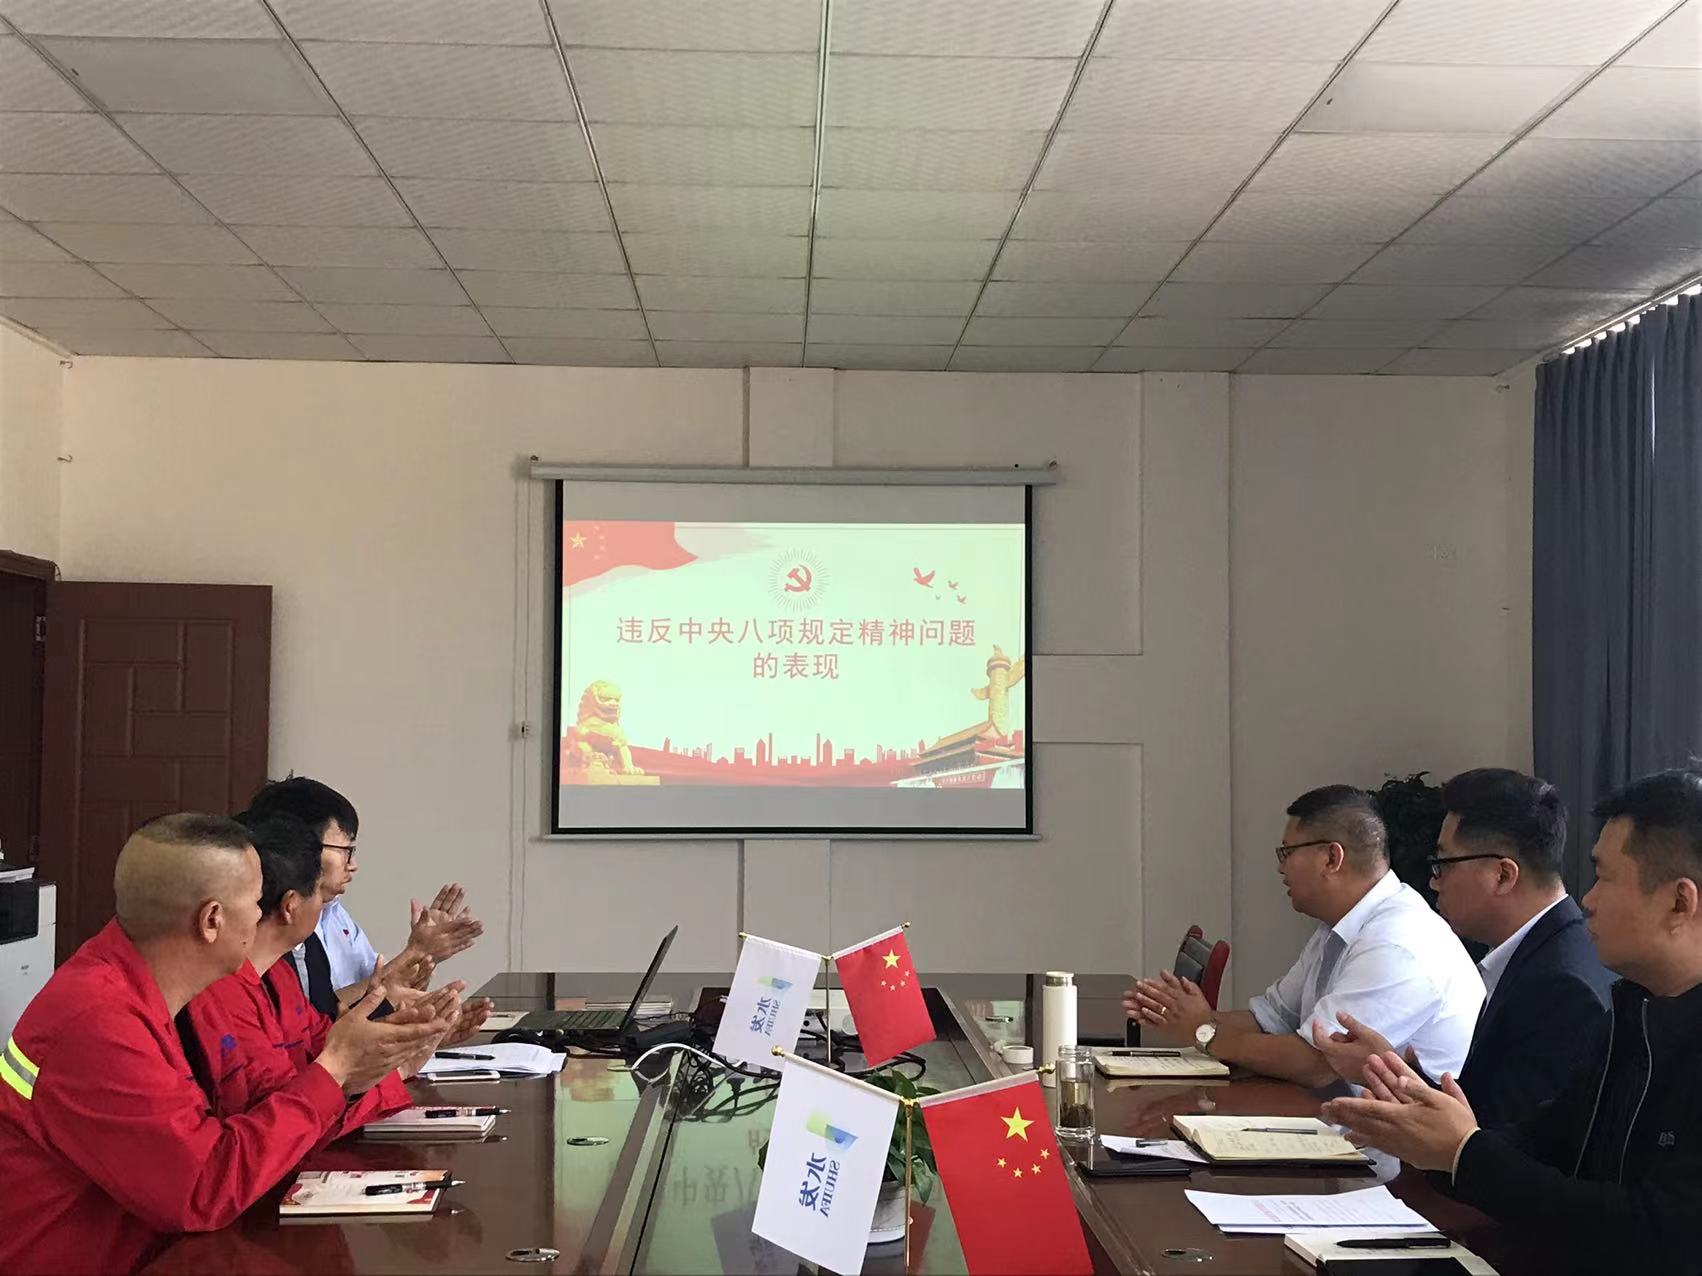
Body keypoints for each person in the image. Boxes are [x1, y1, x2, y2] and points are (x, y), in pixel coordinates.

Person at [0, 814, 458, 1275]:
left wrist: (358, 1070)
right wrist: (335, 1067)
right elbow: (202, 1187)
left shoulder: (137, 988)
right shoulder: (99, 1020)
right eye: (256, 902)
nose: (263, 916)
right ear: (212, 920)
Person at [1324, 768, 1702, 1274]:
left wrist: (1463, 1151)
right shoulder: (1635, 1013)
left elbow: (1653, 1233)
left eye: (1605, 877)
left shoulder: (1579, 988)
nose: (1588, 899)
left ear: (1679, 902)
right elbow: (1544, 1142)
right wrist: (1427, 1123)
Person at [1312, 768, 1613, 1127]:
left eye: (1443, 865)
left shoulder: (1561, 987)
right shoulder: (1541, 952)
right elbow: (1481, 1115)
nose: (1434, 883)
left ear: (1502, 875)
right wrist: (1390, 1071)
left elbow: (1502, 1147)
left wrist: (1391, 1077)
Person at [1126, 784, 1482, 1086]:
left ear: (1331, 858)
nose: (1280, 867)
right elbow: (1271, 1019)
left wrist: (1205, 1031)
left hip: (1380, 1144)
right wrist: (1179, 1014)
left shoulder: (1397, 942)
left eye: (1287, 852)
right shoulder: (1338, 925)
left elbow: (1316, 1063)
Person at [183, 812, 471, 1139]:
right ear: (291, 905)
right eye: (320, 894)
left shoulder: (279, 974)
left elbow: (324, 1051)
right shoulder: (221, 990)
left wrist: (401, 1042)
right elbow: (286, 1118)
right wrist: (386, 1065)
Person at [243, 776, 484, 1016]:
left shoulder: (333, 917)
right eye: (346, 850)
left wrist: (422, 966)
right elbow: (325, 1012)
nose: (353, 864)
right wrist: (416, 954)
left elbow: (368, 999)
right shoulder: (272, 932)